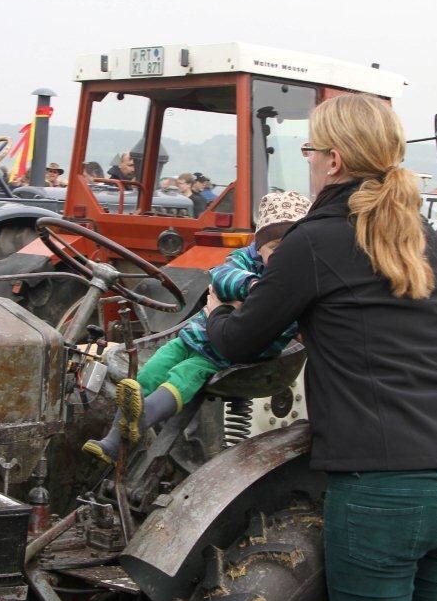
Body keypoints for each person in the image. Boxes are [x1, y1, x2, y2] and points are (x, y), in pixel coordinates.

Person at [204, 94, 437, 601]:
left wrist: (213, 312)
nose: (306, 159)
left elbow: (240, 341)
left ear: (332, 161)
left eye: (308, 149)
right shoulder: (423, 239)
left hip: (380, 491)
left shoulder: (313, 240)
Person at [82, 190, 311, 464]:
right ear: (258, 248)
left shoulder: (297, 283)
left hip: (220, 356)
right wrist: (252, 286)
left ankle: (141, 421)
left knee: (183, 376)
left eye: (289, 247)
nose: (281, 254)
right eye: (274, 247)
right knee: (147, 374)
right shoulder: (246, 263)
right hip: (191, 337)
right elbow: (221, 273)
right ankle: (111, 442)